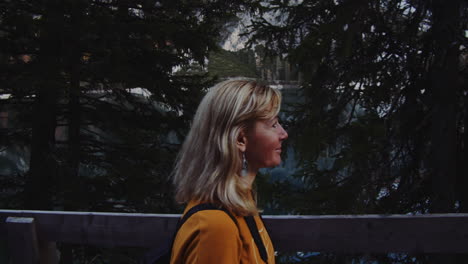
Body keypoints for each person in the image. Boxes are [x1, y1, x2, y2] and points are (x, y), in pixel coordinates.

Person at [170, 79, 288, 264]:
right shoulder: (215, 226)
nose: (283, 134)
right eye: (273, 125)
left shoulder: (240, 204)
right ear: (241, 139)